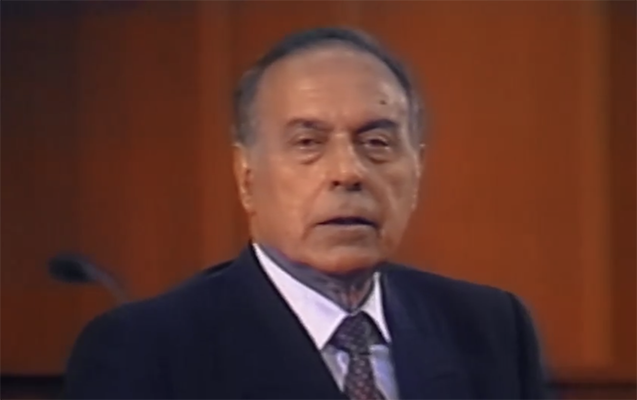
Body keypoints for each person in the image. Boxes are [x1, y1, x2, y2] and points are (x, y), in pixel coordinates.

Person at [64, 27, 549, 400]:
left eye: (377, 143)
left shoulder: (491, 329)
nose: (348, 171)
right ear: (247, 177)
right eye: (307, 143)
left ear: (417, 169)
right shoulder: (147, 350)